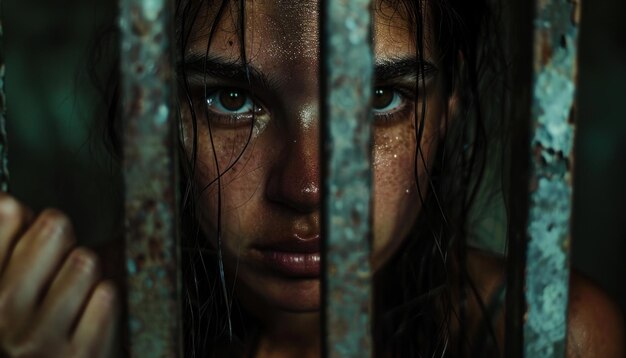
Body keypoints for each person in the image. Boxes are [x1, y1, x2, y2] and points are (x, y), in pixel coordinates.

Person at [0, 0, 624, 357]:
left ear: (450, 106)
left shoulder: (544, 334)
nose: (306, 190)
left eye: (380, 97)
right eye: (231, 100)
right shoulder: (67, 330)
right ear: (157, 112)